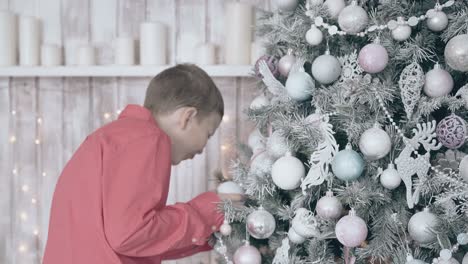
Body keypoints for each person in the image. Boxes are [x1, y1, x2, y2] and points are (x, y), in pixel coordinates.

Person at [43, 64, 243, 264]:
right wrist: (210, 210)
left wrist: (212, 231)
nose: (202, 149)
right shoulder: (146, 137)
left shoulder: (118, 138)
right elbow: (131, 234)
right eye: (208, 134)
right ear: (187, 117)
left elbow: (142, 242)